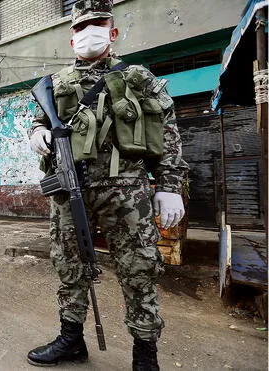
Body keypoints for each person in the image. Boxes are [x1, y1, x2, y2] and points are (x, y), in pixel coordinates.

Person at [26, 1, 189, 369]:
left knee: (139, 268)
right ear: (72, 39)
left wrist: (170, 185)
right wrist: (37, 131)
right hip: (70, 188)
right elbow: (39, 118)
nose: (89, 33)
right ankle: (71, 339)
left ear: (113, 33)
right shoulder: (55, 83)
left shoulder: (139, 78)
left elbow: (167, 135)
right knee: (69, 264)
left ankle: (144, 354)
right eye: (81, 28)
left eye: (98, 25)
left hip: (127, 191)